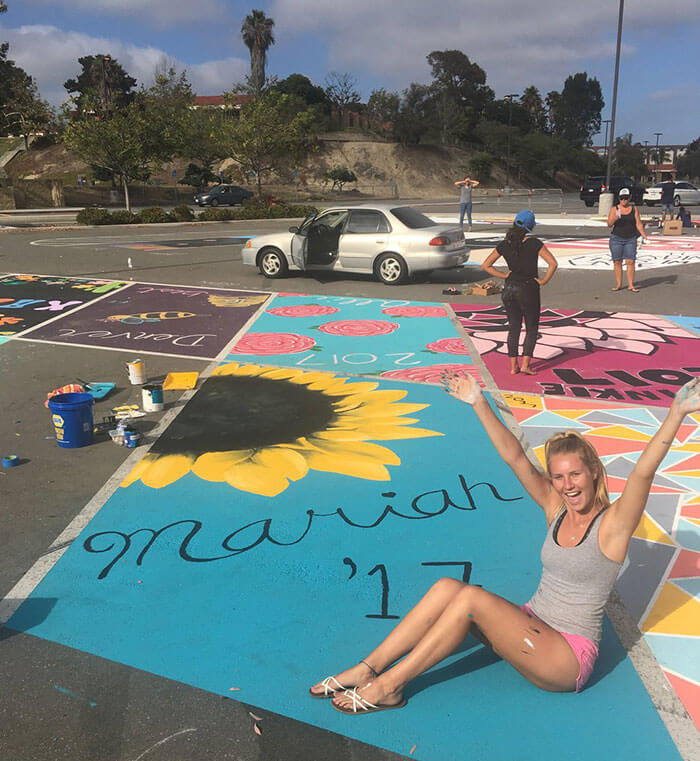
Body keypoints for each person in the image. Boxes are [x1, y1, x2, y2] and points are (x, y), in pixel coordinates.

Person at [309, 375, 700, 714]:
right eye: (559, 477)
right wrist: (478, 402)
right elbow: (516, 458)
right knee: (448, 587)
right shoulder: (556, 509)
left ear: (594, 473)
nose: (567, 485)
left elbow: (643, 474)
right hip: (532, 624)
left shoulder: (612, 526)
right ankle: (368, 667)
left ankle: (389, 686)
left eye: (575, 474)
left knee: (470, 600)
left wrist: (675, 414)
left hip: (566, 657)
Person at [480, 210, 557, 376]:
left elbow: (485, 265)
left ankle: (513, 366)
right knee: (531, 327)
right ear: (531, 226)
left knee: (514, 327)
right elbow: (553, 263)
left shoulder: (505, 244)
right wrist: (543, 281)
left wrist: (503, 275)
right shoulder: (534, 243)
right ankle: (525, 365)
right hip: (528, 288)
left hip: (509, 288)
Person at [607, 188, 647, 293]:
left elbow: (638, 223)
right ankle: (619, 284)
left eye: (626, 198)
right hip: (616, 238)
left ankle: (631, 285)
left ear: (629, 198)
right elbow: (609, 224)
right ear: (619, 198)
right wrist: (615, 218)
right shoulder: (614, 209)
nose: (624, 200)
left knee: (630, 261)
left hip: (630, 238)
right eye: (622, 198)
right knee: (617, 261)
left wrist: (644, 235)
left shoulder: (634, 209)